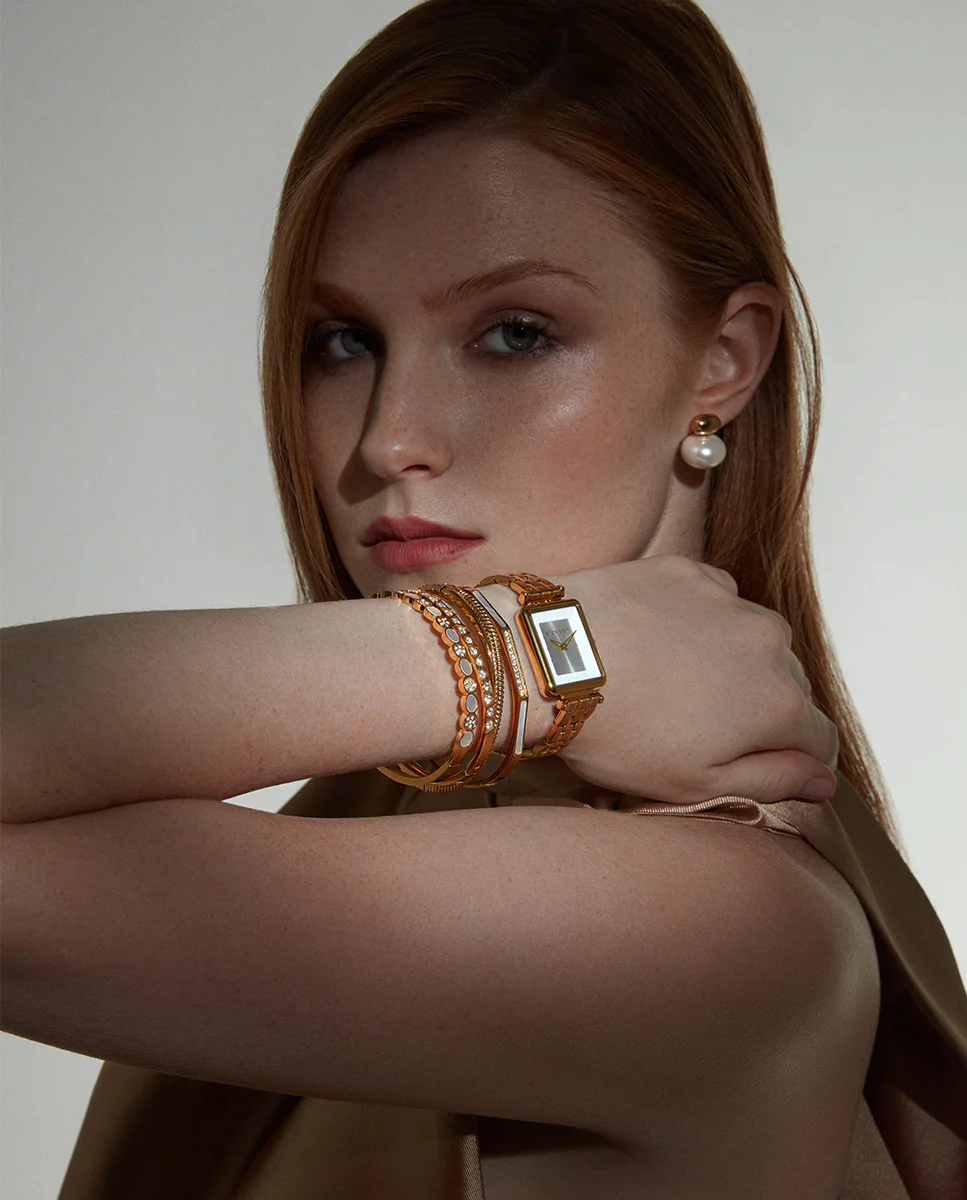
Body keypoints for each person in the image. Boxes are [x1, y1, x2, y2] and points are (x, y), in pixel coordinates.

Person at [1, 0, 964, 1196]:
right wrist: (536, 665)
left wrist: (530, 657)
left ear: (724, 362)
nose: (388, 438)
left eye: (514, 333)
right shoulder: (366, 812)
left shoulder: (718, 925)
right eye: (342, 341)